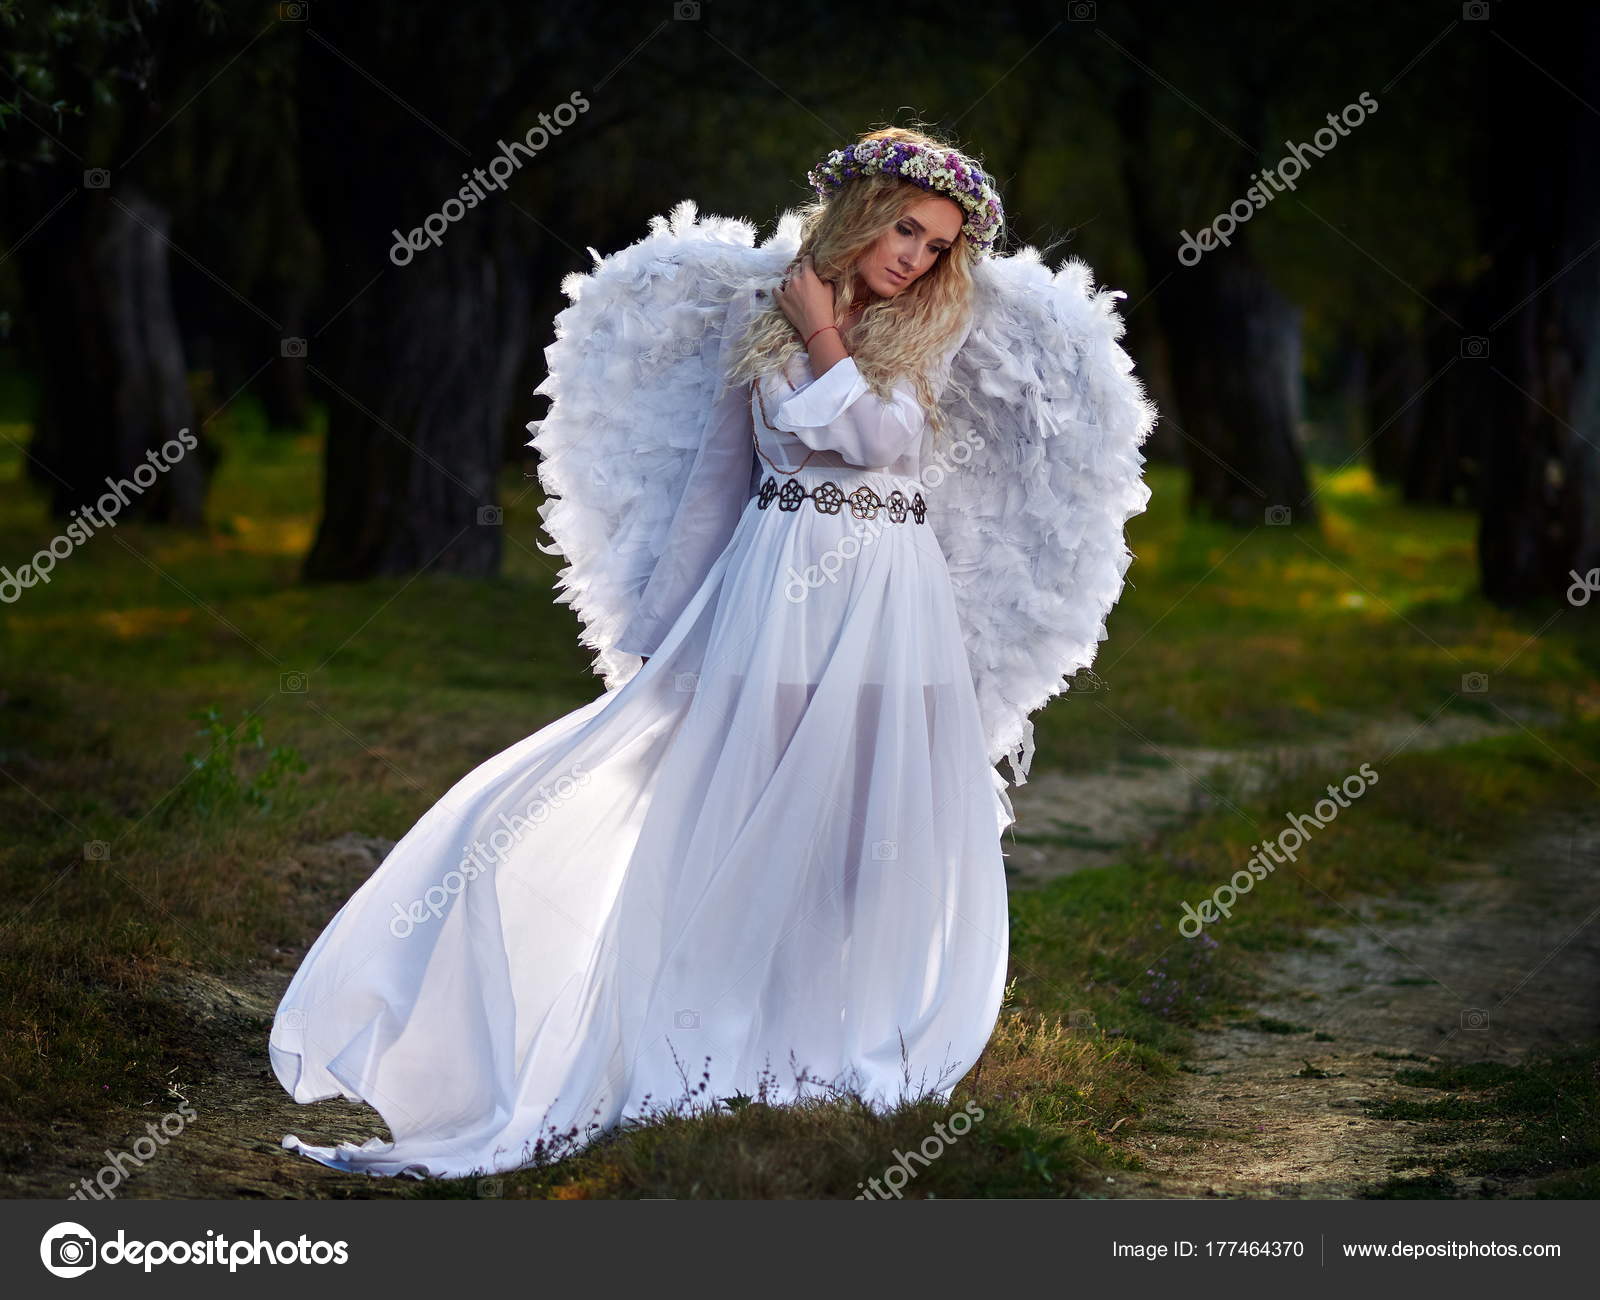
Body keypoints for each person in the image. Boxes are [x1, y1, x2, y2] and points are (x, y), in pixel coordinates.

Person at [269, 125, 1155, 1180]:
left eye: (937, 242)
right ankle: (712, 1032)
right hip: (773, 581)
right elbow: (714, 483)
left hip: (884, 588)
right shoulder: (762, 314)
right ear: (861, 211)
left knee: (860, 812)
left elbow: (877, 445)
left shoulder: (926, 327)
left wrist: (825, 333)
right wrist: (659, 636)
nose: (916, 256)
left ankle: (832, 1040)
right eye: (906, 229)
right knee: (742, 800)